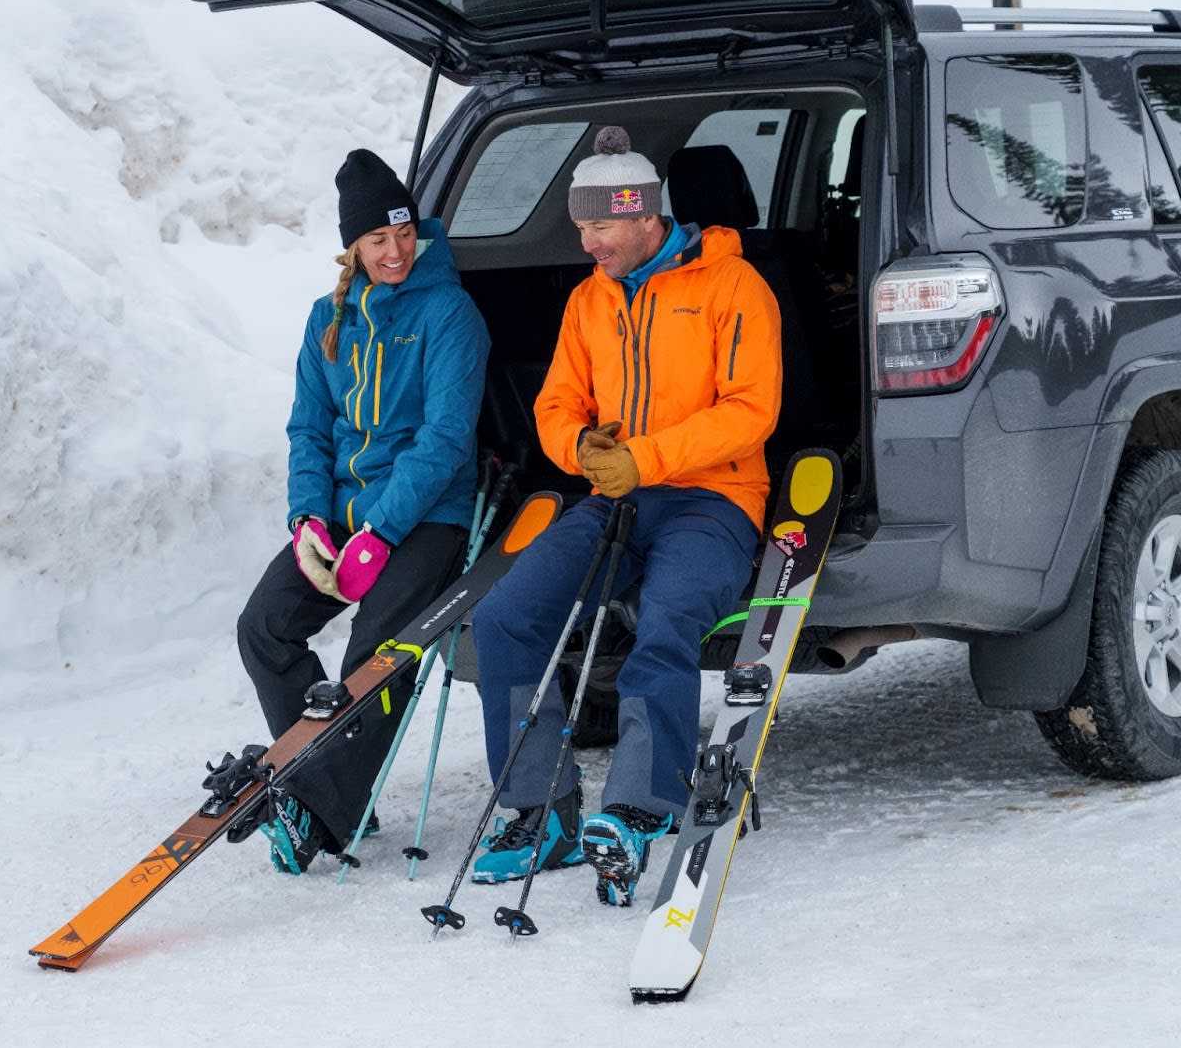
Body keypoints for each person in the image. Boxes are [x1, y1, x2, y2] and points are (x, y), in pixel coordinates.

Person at [469, 126, 782, 906]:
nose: (588, 242)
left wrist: (647, 457)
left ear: (647, 217)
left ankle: (642, 806)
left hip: (714, 501)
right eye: (583, 226)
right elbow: (555, 403)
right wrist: (580, 444)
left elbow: (752, 412)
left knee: (667, 620)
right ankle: (543, 811)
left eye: (602, 226)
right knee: (505, 618)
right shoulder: (589, 301)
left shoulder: (733, 286)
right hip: (615, 499)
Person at [235, 149, 490, 875]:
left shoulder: (449, 313)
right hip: (344, 516)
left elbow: (444, 440)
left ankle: (318, 810)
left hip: (425, 515)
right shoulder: (329, 319)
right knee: (265, 627)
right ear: (352, 246)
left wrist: (380, 530)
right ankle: (331, 779)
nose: (396, 250)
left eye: (404, 233)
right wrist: (309, 521)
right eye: (377, 239)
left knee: (374, 657)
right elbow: (309, 430)